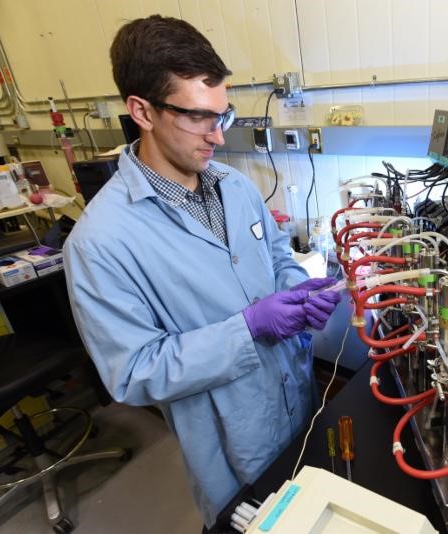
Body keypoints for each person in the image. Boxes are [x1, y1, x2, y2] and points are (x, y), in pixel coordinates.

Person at [63, 15, 341, 528]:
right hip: (232, 445)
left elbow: (279, 256)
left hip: (297, 400)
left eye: (224, 114)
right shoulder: (100, 242)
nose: (218, 135)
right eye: (199, 118)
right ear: (141, 110)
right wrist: (249, 328)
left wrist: (300, 292)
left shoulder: (232, 187)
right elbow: (133, 373)